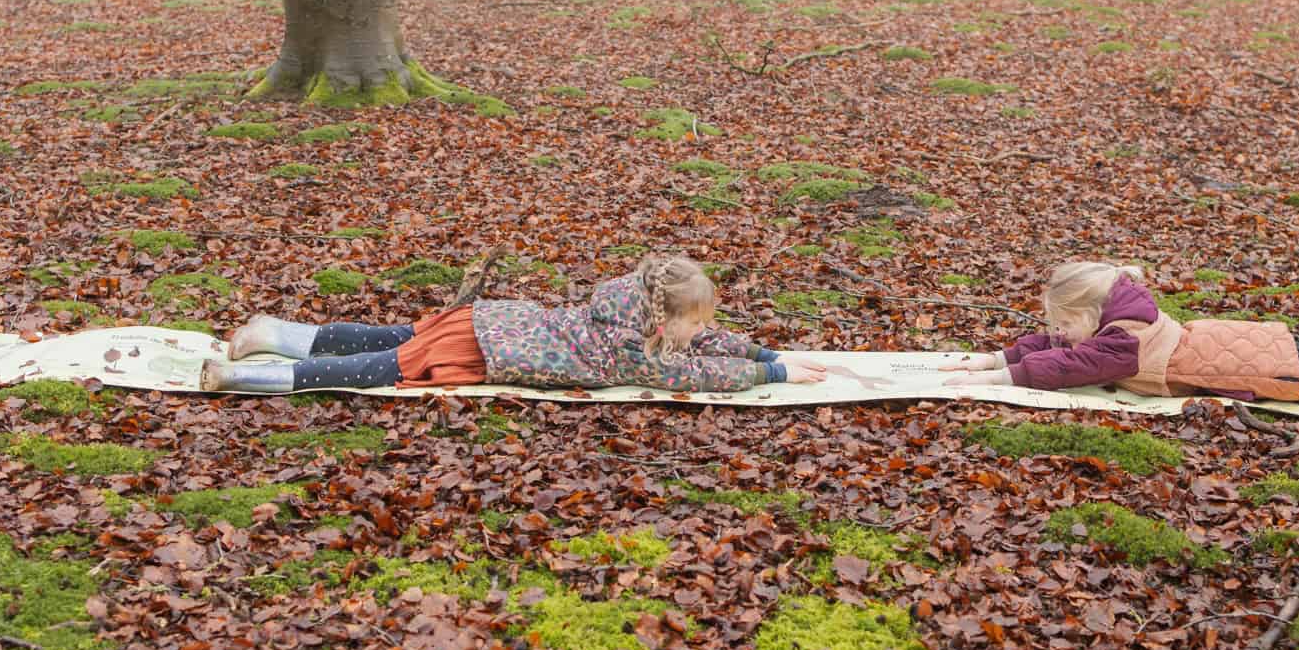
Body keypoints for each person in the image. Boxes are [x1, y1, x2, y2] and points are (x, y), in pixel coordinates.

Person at [200, 254, 829, 395]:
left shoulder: (624, 308)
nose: (702, 332)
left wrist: (763, 346)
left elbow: (706, 345)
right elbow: (696, 375)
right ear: (666, 323)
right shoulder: (631, 351)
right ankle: (242, 377)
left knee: (387, 336)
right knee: (375, 369)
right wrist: (768, 370)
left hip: (486, 321)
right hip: (483, 351)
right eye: (695, 323)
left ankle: (271, 334)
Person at [942, 261, 1299, 414]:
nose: (1056, 335)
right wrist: (999, 355)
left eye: (1063, 324)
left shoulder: (1118, 346)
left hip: (1253, 367)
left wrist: (1000, 376)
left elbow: (1065, 368)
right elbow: (1058, 348)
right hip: (1243, 345)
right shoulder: (1123, 320)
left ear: (1091, 315)